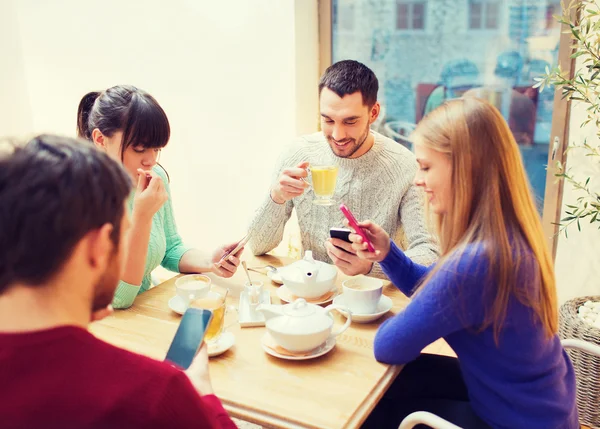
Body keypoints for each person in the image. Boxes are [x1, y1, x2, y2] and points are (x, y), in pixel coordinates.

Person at [349, 98, 578, 428]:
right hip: (540, 407)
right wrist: (389, 254)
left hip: (513, 421)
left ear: (465, 169)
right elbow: (441, 293)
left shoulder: (475, 263)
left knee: (367, 412)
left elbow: (389, 345)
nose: (417, 179)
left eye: (426, 167)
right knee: (404, 381)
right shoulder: (507, 237)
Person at [0, 135, 237, 429]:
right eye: (125, 235)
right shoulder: (156, 393)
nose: (150, 158)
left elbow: (173, 245)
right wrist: (201, 392)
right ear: (98, 247)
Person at [248, 60, 438, 278]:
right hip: (311, 296)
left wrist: (371, 267)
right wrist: (276, 198)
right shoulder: (297, 154)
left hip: (373, 301)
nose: (338, 135)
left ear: (374, 113)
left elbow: (429, 252)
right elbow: (257, 246)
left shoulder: (405, 165)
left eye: (350, 121)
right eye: (328, 120)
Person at [77, 85, 242, 309]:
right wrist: (142, 217)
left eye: (156, 149)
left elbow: (171, 248)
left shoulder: (154, 177)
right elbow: (118, 298)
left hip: (143, 309)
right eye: (139, 149)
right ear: (100, 139)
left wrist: (209, 262)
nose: (150, 160)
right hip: (105, 322)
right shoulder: (82, 196)